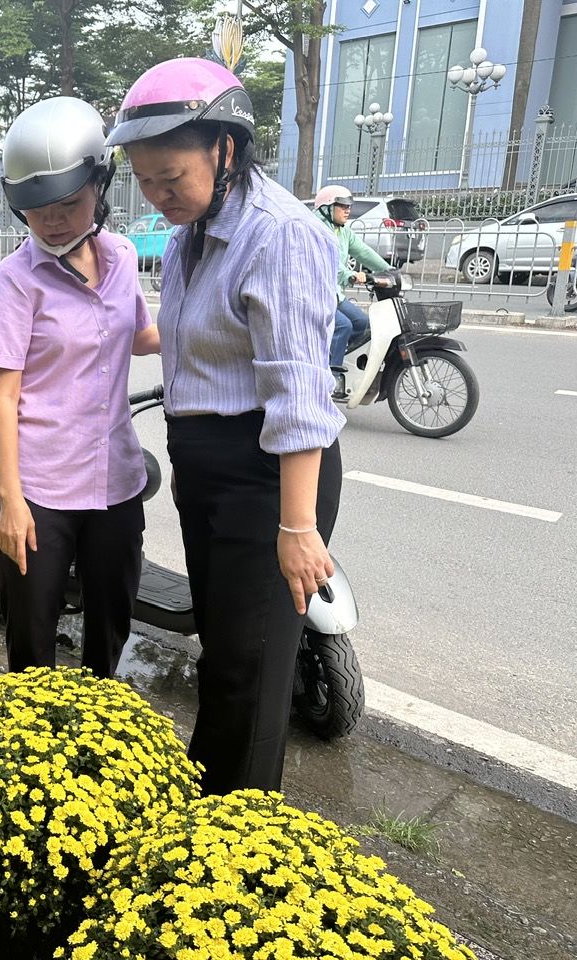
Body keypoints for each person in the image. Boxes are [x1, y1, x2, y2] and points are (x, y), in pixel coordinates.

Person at [107, 58, 343, 794]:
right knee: (224, 651)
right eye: (143, 180)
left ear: (226, 150)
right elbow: (189, 344)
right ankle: (210, 809)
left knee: (252, 665)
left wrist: (297, 527)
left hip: (268, 472)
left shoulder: (279, 235)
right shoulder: (190, 235)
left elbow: (298, 390)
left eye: (169, 176)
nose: (157, 195)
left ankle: (238, 840)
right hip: (210, 466)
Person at [0, 96, 160, 679]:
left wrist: (221, 333)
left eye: (69, 204)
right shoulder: (13, 283)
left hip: (115, 482)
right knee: (33, 646)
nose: (54, 220)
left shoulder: (123, 257)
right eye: (37, 210)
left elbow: (139, 335)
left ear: (99, 188)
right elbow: (4, 397)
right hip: (39, 489)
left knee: (110, 627)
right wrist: (11, 502)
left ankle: (98, 736)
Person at [313, 185, 391, 398]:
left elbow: (363, 252)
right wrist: (349, 274)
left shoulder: (343, 230)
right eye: (342, 206)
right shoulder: (315, 229)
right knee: (343, 326)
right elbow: (327, 264)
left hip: (334, 294)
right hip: (314, 294)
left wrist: (389, 270)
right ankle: (331, 380)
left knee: (364, 324)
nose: (348, 210)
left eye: (349, 206)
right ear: (327, 207)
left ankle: (328, 355)